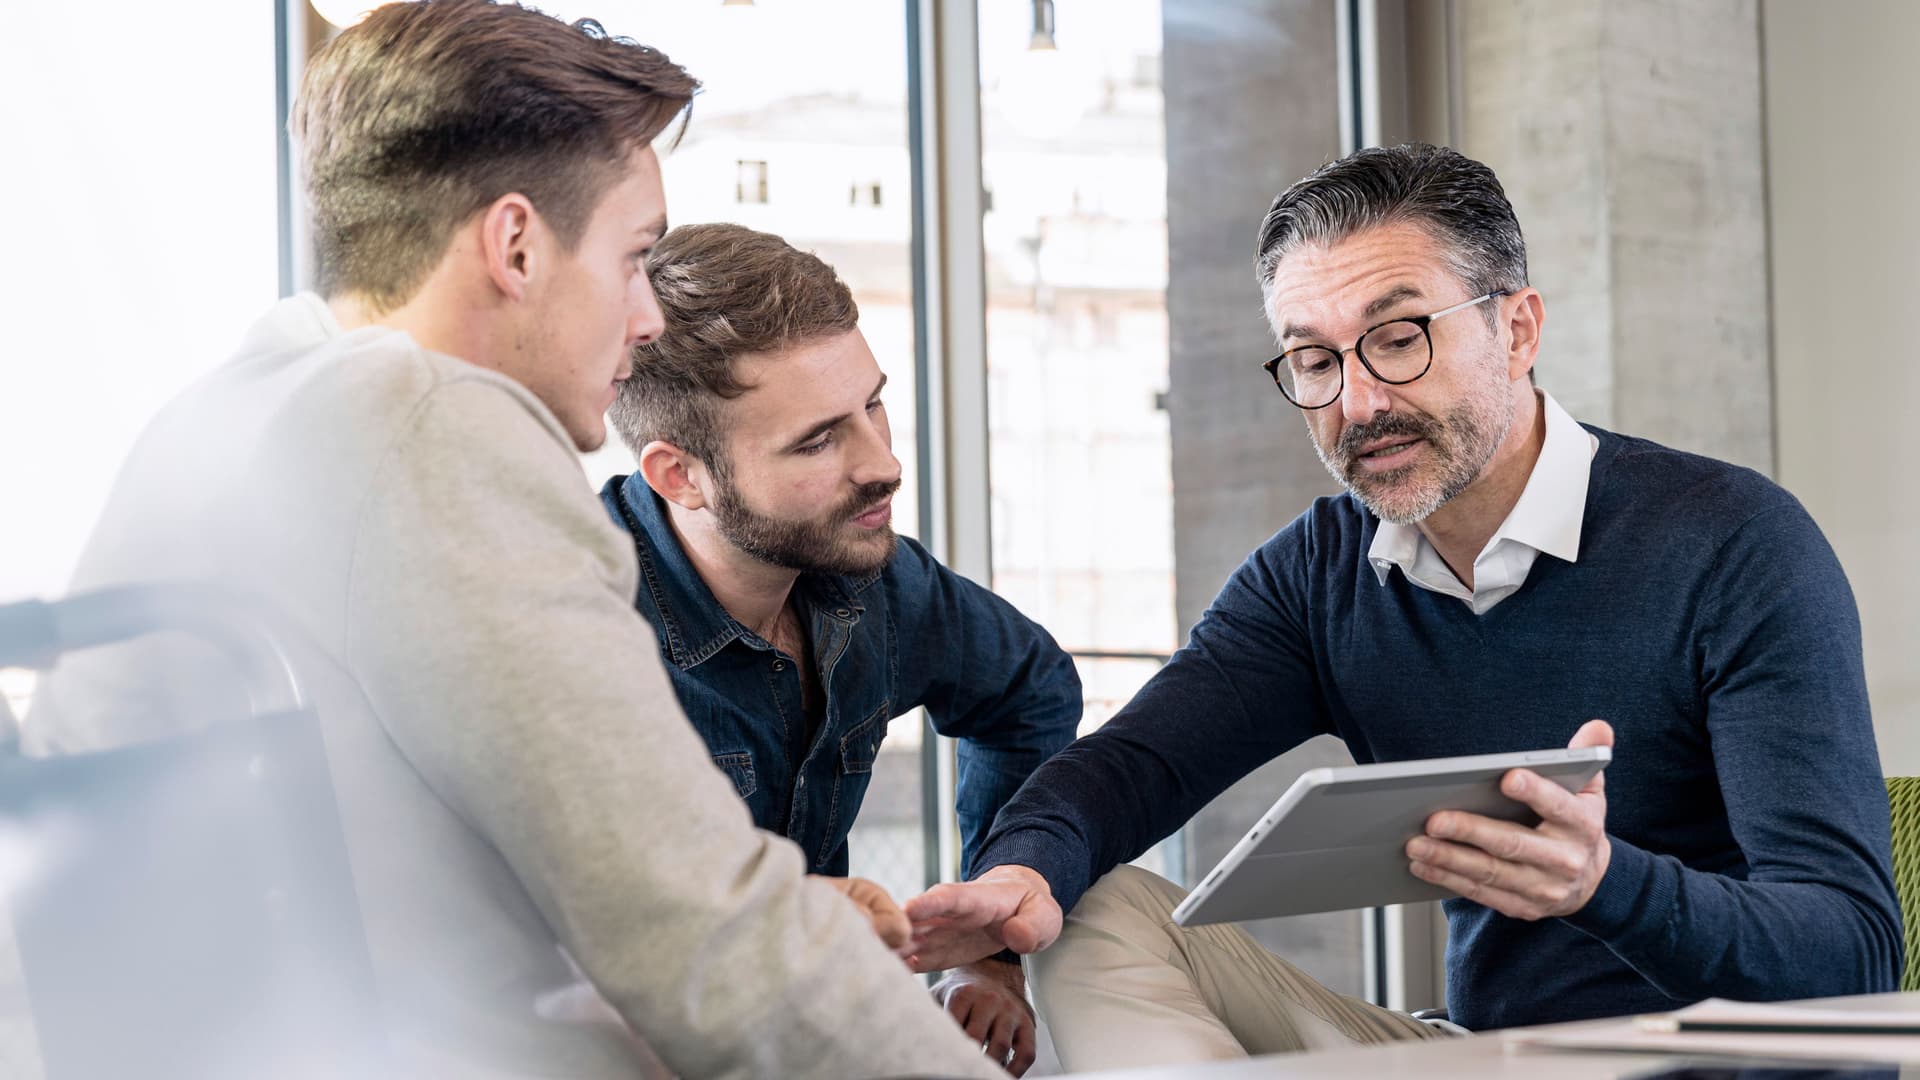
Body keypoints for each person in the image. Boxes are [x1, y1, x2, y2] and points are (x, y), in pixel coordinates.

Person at [27, 3, 1010, 1077]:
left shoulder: (222, 417)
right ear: (515, 245)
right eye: (635, 258)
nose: (644, 319)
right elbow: (708, 938)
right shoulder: (430, 424)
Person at [903, 142, 1903, 1072]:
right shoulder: (1319, 573)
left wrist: (1606, 885)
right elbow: (1127, 771)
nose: (1360, 403)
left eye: (1397, 338)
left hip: (1703, 1061)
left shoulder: (1734, 543)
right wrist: (1021, 879)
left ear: (1517, 329)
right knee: (1093, 898)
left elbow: (1850, 959)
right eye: (1315, 360)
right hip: (1483, 1056)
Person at [600, 222, 1081, 1076]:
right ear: (681, 476)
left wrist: (988, 951)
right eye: (818, 440)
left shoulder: (867, 577)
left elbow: (1030, 690)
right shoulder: (581, 618)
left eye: (873, 404)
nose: (884, 463)